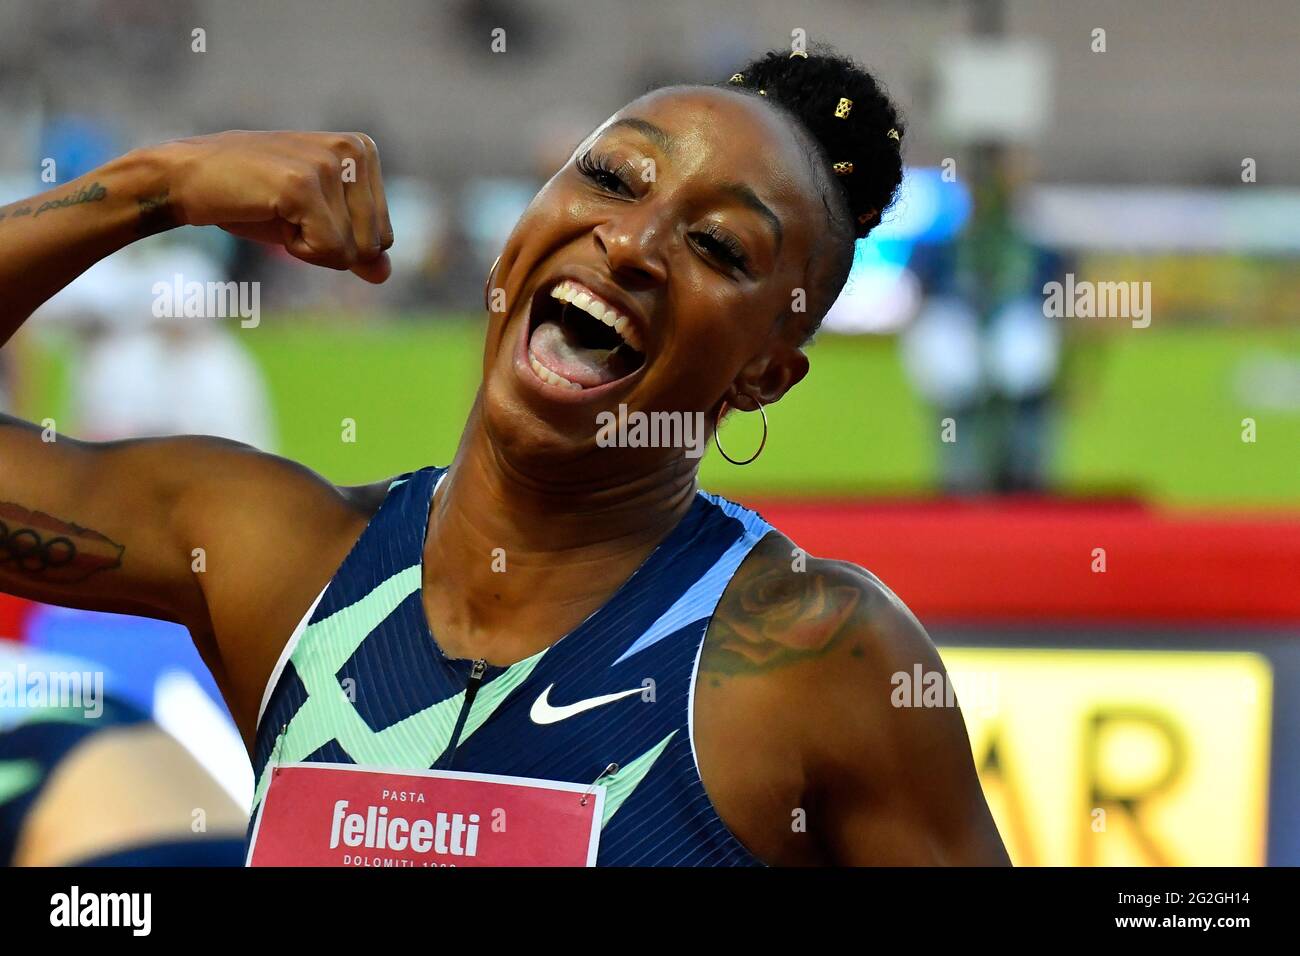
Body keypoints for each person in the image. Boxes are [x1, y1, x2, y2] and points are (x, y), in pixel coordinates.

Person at [0, 46, 1009, 865]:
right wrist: (154, 186)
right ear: (523, 226)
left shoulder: (817, 657)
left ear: (763, 374)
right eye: (612, 179)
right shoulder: (280, 555)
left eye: (717, 247)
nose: (630, 244)